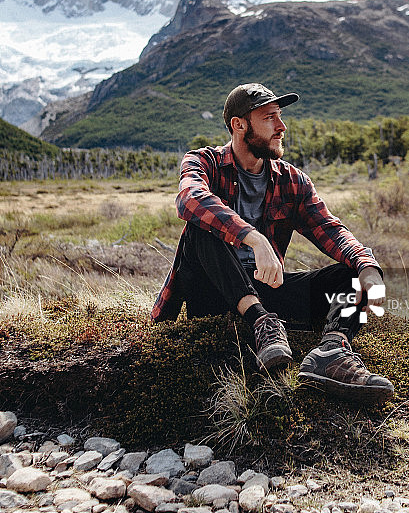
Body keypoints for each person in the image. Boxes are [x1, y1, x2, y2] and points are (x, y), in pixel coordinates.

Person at [151, 83, 394, 402]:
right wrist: (254, 239)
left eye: (280, 117)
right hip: (213, 292)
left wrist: (366, 266)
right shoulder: (204, 161)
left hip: (265, 289)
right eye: (269, 118)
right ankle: (260, 323)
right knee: (199, 228)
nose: (282, 127)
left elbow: (328, 227)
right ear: (239, 125)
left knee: (351, 275)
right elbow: (190, 200)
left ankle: (332, 352)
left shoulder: (292, 180)